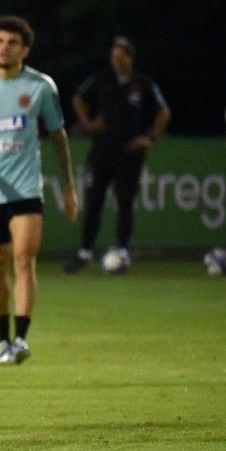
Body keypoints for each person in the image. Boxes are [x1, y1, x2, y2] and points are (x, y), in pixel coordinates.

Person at [0, 16, 78, 364]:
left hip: (26, 190)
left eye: (11, 42)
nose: (3, 48)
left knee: (23, 260)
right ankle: (1, 341)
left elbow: (58, 135)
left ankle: (21, 339)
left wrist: (68, 184)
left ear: (25, 49)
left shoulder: (41, 87)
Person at [64, 36, 171, 274]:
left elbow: (164, 111)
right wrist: (88, 123)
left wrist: (150, 137)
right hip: (101, 151)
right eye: (113, 56)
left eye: (120, 56)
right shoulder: (101, 79)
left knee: (125, 203)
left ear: (130, 58)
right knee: (93, 202)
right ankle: (85, 252)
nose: (115, 60)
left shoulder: (143, 83)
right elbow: (77, 98)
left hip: (129, 153)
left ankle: (122, 251)